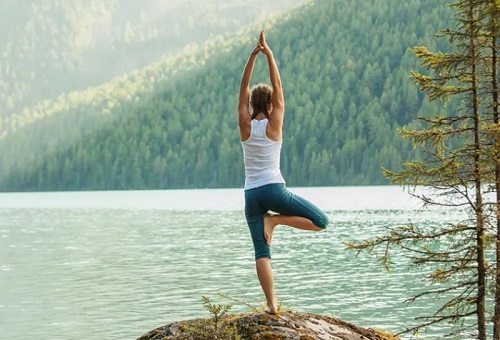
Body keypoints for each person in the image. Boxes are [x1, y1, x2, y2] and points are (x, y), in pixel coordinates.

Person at [238, 31, 329, 314]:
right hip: (274, 190)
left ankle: (272, 305)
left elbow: (243, 89)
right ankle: (275, 222)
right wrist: (270, 55)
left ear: (252, 105)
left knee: (261, 253)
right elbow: (278, 85)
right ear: (272, 105)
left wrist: (252, 57)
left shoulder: (244, 125)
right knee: (320, 221)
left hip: (251, 195)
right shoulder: (274, 125)